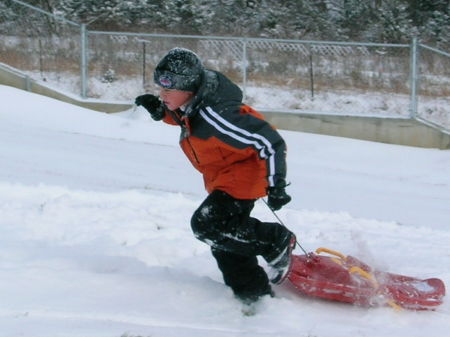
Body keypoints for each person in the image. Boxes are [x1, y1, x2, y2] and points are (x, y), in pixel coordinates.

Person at [135, 47, 296, 304]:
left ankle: (274, 240)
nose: (162, 94)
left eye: (168, 90)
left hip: (243, 176)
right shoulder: (194, 102)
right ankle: (253, 292)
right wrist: (161, 113)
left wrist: (277, 184)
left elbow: (270, 142)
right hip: (224, 176)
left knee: (207, 225)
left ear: (189, 89)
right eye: (161, 89)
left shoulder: (219, 114)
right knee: (225, 240)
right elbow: (187, 117)